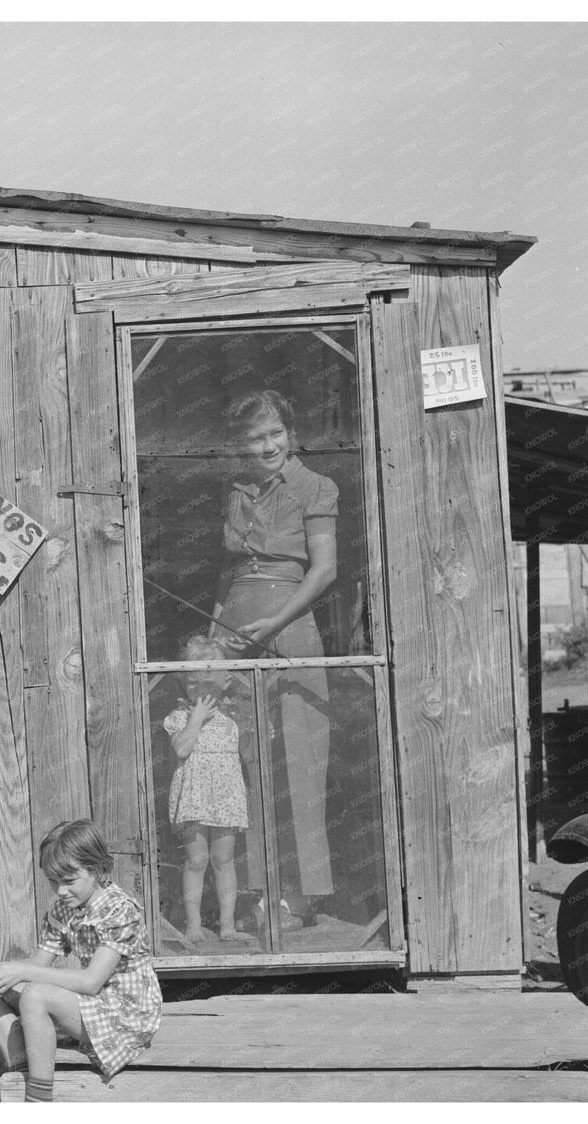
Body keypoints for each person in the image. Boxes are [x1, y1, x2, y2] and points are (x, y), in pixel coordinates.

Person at [211, 389, 336, 926]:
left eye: (276, 434)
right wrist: (214, 632)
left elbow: (325, 569)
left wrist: (277, 621)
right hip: (235, 635)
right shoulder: (236, 492)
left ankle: (304, 896)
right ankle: (259, 890)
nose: (268, 446)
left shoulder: (316, 487)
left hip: (290, 631)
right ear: (239, 444)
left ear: (291, 432)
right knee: (242, 762)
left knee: (299, 762)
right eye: (255, 438)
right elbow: (229, 570)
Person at [0, 820, 161, 1102]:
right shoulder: (65, 908)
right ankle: (22, 1068)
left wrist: (23, 971)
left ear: (96, 869)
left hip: (125, 1015)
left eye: (69, 880)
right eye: (53, 881)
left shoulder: (119, 911)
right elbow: (39, 963)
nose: (60, 890)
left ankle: (39, 1099)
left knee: (36, 995)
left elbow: (90, 982)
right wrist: (10, 974)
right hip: (93, 1005)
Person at [164, 637, 248, 942]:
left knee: (223, 860)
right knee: (196, 860)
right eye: (193, 682)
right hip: (194, 796)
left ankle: (227, 925)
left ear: (226, 681)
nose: (201, 690)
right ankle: (194, 925)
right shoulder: (179, 717)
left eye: (209, 682)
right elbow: (182, 749)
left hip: (225, 796)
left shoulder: (233, 718)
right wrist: (196, 719)